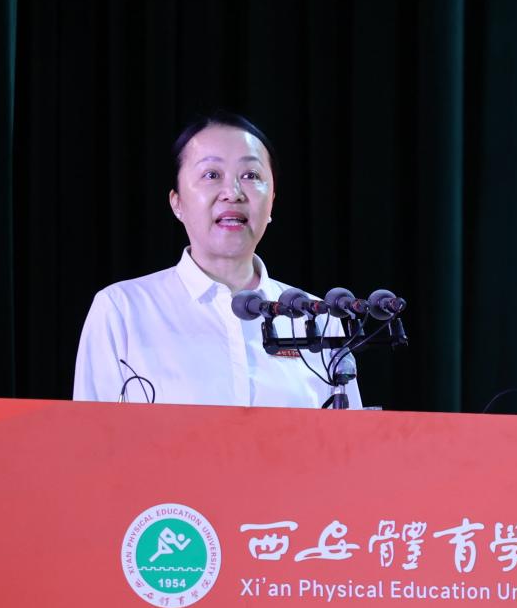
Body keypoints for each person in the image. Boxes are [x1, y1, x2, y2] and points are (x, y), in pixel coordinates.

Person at [73, 111, 362, 408]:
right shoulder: (122, 310)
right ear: (177, 202)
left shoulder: (317, 317)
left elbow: (349, 434)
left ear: (272, 201)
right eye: (211, 175)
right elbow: (89, 433)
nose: (232, 193)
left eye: (250, 176)